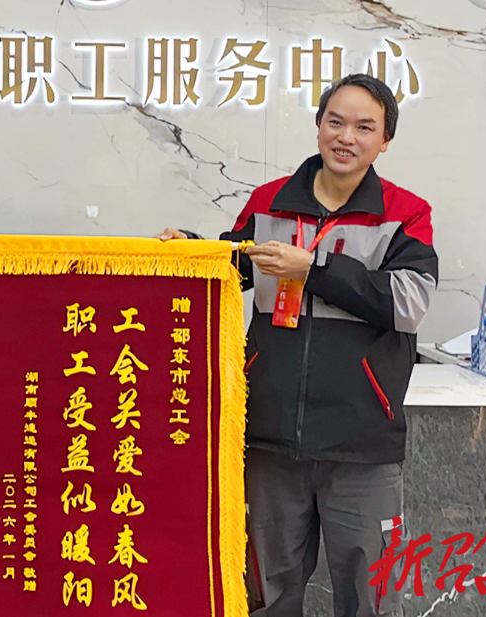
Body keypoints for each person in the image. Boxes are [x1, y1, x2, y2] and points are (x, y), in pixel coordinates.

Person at [159, 74, 438, 616]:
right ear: (318, 126)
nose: (346, 137)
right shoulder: (270, 202)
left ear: (384, 141)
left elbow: (408, 302)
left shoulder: (405, 212)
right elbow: (233, 266)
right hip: (270, 439)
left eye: (364, 127)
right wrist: (188, 251)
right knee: (266, 594)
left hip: (360, 442)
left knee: (370, 598)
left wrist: (314, 268)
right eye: (336, 121)